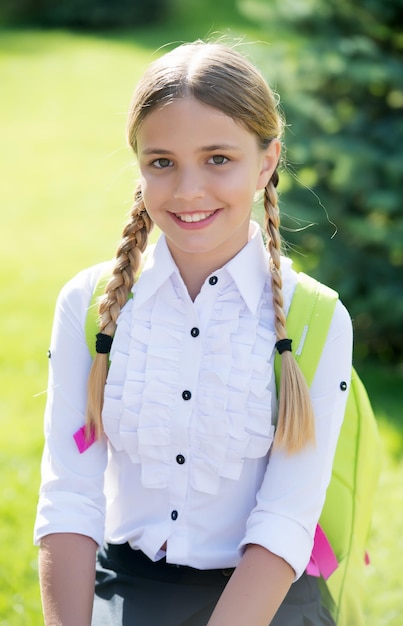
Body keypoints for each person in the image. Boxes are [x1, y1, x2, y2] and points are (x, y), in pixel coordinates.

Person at [34, 40, 353, 626]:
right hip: (128, 589)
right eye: (162, 162)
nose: (187, 192)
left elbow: (286, 518)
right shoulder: (89, 305)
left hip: (266, 599)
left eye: (218, 160)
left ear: (266, 162)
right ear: (139, 166)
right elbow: (70, 498)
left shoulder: (317, 319)